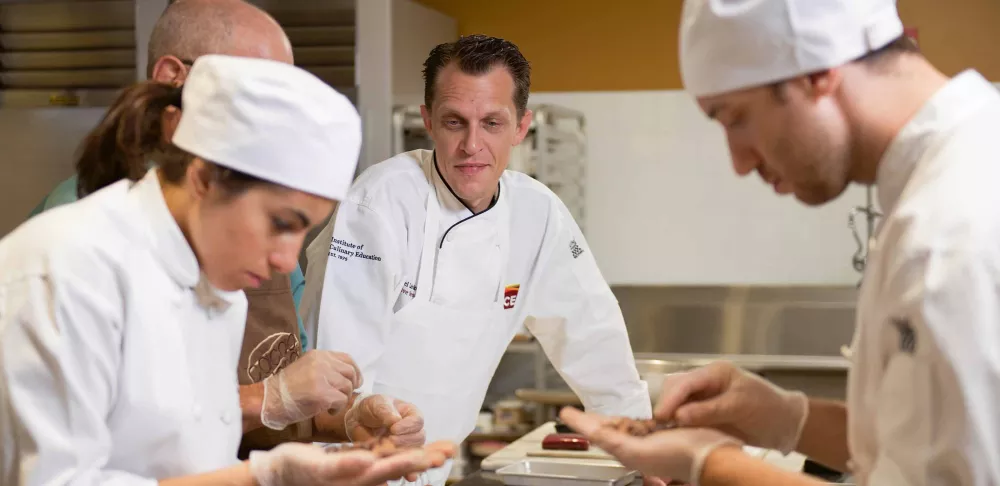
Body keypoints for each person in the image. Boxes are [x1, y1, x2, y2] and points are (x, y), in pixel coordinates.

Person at [559, 1, 1000, 485]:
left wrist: (711, 464)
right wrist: (787, 418)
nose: (739, 162)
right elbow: (917, 451)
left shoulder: (949, 235)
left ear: (816, 73)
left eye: (736, 118)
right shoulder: (957, 167)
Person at [0, 54, 455, 486]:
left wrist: (339, 426)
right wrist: (262, 476)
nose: (286, 260)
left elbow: (187, 444)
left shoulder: (219, 288)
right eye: (280, 224)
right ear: (203, 177)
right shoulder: (66, 269)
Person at [300, 34, 651, 484]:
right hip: (343, 468)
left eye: (491, 123)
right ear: (428, 121)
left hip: (432, 464)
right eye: (454, 122)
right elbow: (335, 374)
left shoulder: (537, 214)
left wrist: (641, 442)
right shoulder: (379, 205)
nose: (471, 145)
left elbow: (592, 336)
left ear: (521, 127)